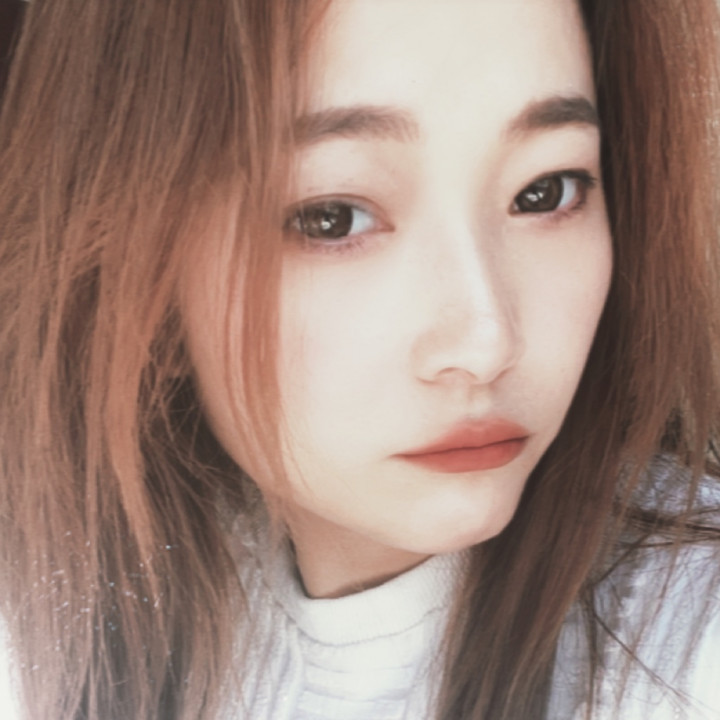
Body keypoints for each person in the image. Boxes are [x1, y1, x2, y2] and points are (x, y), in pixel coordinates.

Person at [1, 0, 719, 718]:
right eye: (333, 217)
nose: (486, 343)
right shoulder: (51, 626)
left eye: (544, 192)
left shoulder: (686, 646)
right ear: (133, 278)